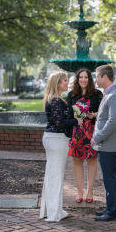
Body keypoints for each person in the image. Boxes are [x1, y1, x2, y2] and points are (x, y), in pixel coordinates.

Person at [39, 71, 83, 222]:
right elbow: (59, 123)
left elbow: (59, 119)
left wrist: (73, 117)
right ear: (58, 83)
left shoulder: (56, 99)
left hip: (56, 139)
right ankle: (54, 213)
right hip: (56, 140)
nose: (67, 83)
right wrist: (76, 122)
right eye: (65, 80)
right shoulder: (56, 100)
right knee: (56, 175)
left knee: (54, 175)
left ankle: (54, 209)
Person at [90, 65, 116, 222]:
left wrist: (97, 138)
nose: (95, 79)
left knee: (110, 178)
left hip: (108, 145)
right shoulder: (109, 94)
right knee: (108, 177)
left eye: (97, 76)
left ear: (105, 77)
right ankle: (111, 207)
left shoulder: (114, 95)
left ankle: (113, 212)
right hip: (105, 145)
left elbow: (113, 121)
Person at [66, 68, 103, 203]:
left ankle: (90, 190)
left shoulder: (97, 94)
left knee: (92, 160)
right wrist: (72, 115)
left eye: (86, 77)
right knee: (77, 161)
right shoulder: (71, 95)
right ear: (77, 79)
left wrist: (94, 115)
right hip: (76, 132)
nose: (83, 80)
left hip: (92, 132)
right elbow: (65, 113)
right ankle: (79, 190)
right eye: (80, 77)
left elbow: (104, 113)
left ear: (90, 79)